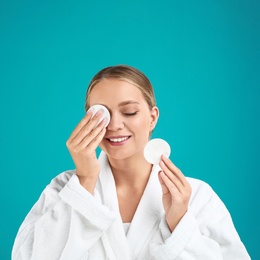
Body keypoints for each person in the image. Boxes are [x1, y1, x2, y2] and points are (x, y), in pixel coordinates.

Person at [12, 65, 250, 260]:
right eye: (101, 114)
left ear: (152, 117)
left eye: (129, 112)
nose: (114, 125)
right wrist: (84, 182)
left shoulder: (197, 197)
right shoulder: (65, 190)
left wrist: (179, 224)